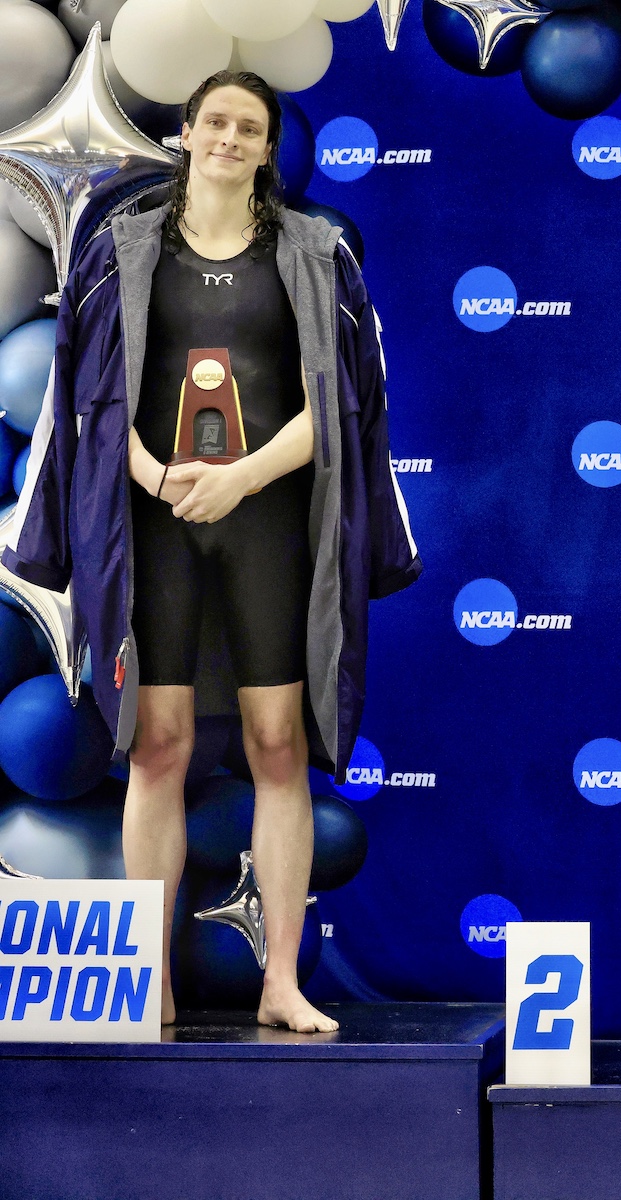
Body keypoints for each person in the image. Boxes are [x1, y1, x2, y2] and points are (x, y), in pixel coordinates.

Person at [5, 71, 421, 1032]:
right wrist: (154, 478)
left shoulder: (319, 255)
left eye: (251, 127)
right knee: (158, 748)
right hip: (153, 527)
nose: (231, 138)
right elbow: (86, 398)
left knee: (281, 749)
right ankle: (147, 979)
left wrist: (240, 478)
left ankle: (281, 981)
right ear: (185, 136)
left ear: (269, 148)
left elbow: (346, 409)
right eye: (216, 123)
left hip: (268, 524)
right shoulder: (123, 250)